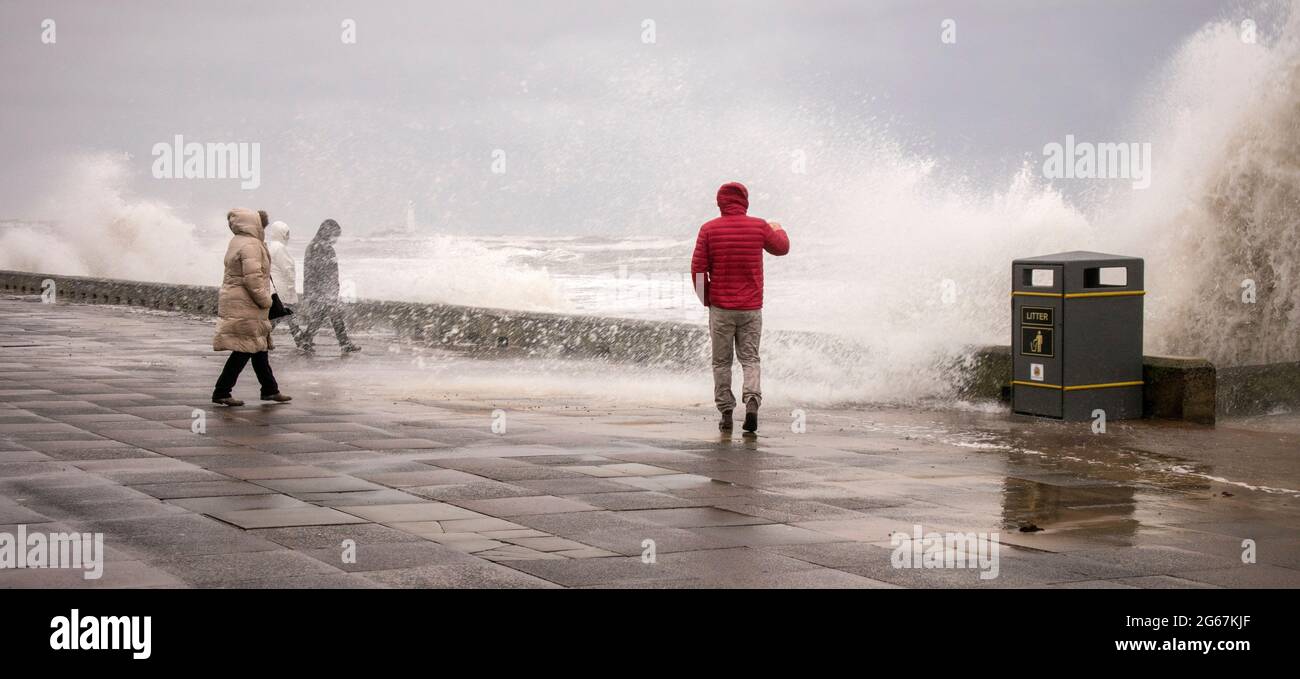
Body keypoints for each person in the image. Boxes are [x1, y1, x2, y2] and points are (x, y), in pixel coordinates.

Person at [690, 182, 789, 433]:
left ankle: (725, 412)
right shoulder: (758, 226)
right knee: (750, 359)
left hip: (721, 308)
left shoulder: (709, 229)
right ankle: (753, 400)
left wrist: (707, 300)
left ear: (720, 202)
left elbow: (698, 271)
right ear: (745, 201)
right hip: (751, 309)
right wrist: (779, 229)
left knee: (721, 362)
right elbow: (782, 248)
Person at [211, 208, 292, 406]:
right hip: (247, 304)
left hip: (239, 300)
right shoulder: (251, 245)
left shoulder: (238, 241)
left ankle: (270, 390)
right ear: (254, 224)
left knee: (258, 348)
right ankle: (222, 391)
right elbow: (253, 278)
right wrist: (266, 300)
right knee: (244, 349)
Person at [297, 218, 361, 354]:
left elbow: (315, 271)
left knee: (320, 316)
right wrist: (327, 290)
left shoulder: (316, 245)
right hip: (322, 290)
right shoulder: (321, 247)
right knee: (333, 316)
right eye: (335, 235)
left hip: (319, 289)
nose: (336, 239)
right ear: (327, 232)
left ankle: (306, 340)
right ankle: (343, 343)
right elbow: (320, 271)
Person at [263, 218, 304, 339]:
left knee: (284, 315)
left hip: (274, 286)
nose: (288, 237)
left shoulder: (270, 247)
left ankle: (301, 341)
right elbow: (288, 269)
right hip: (282, 288)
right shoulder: (280, 248)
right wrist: (291, 286)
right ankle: (261, 338)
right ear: (280, 233)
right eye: (286, 233)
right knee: (284, 314)